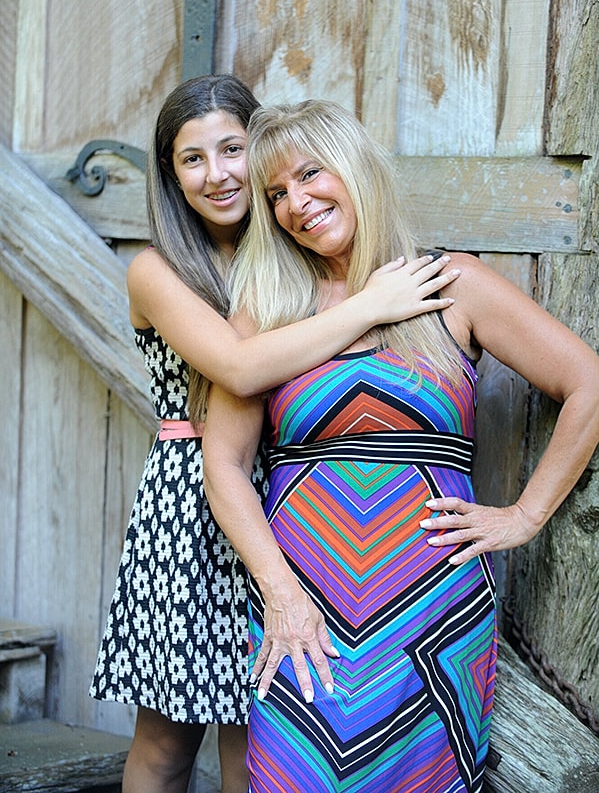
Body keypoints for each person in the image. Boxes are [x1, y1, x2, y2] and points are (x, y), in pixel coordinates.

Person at [202, 99, 599, 793]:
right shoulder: (267, 308)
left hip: (430, 609)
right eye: (275, 195)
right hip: (300, 601)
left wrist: (523, 516)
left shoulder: (451, 286)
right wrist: (279, 592)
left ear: (353, 168)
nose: (296, 203)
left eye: (309, 174)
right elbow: (225, 465)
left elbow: (587, 384)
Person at [89, 77, 459, 793]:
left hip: (290, 497)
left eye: (231, 149)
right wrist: (372, 305)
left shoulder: (300, 253)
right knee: (167, 738)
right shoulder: (159, 269)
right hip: (194, 505)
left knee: (260, 734)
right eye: (190, 158)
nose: (217, 173)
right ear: (169, 175)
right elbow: (238, 365)